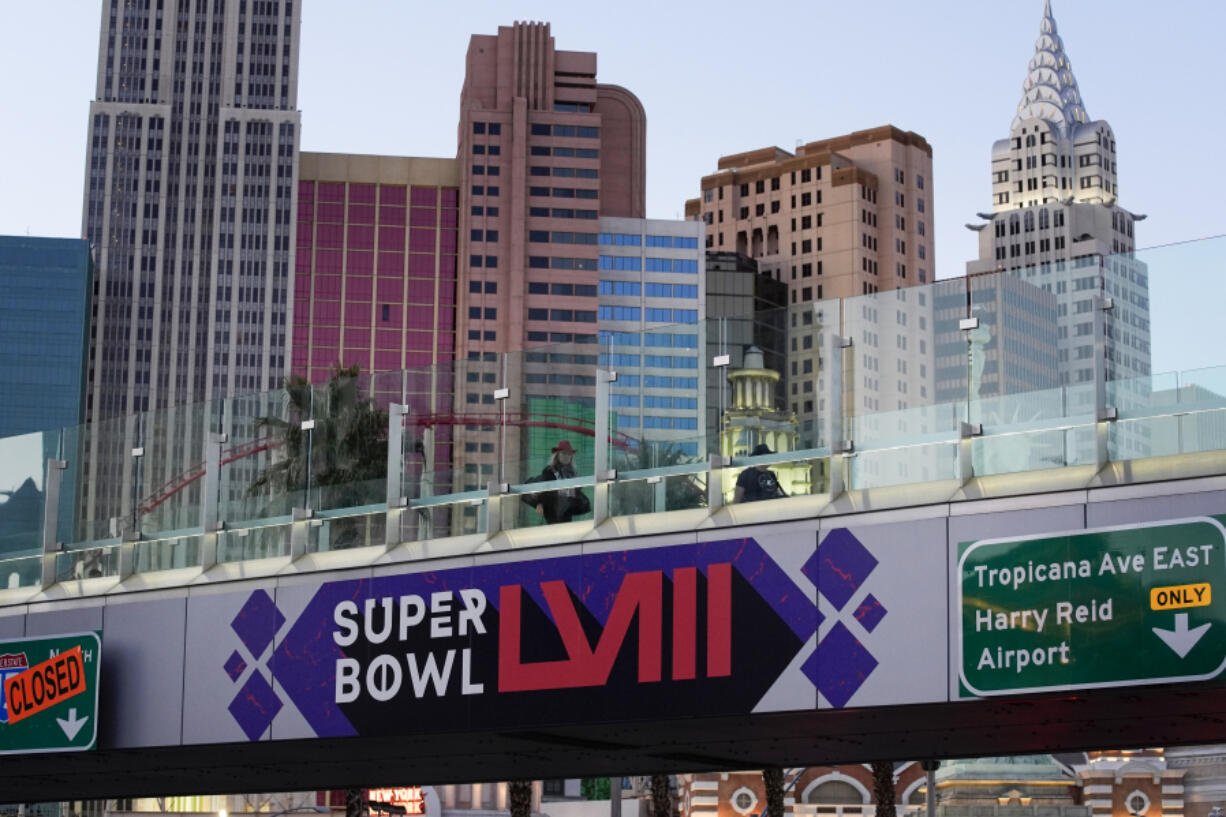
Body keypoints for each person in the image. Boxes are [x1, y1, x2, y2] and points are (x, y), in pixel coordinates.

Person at [525, 440, 591, 523]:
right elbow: (545, 488)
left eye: (569, 454)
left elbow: (574, 493)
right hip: (553, 509)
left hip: (567, 510)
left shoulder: (572, 473)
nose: (566, 456)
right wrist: (540, 503)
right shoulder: (549, 470)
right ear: (557, 455)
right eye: (563, 453)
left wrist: (578, 488)